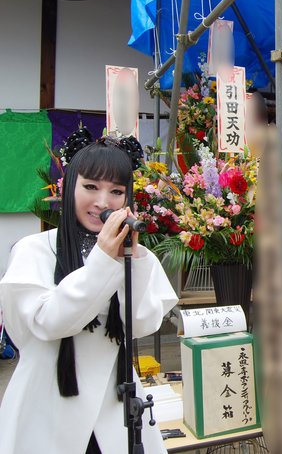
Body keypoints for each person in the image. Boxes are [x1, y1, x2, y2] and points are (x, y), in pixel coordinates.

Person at [0, 131, 178, 453]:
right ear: (69, 187)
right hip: (48, 402)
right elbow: (49, 322)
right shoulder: (35, 249)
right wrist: (103, 261)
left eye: (116, 191)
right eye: (91, 187)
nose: (102, 202)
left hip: (114, 403)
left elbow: (138, 324)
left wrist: (130, 261)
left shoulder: (138, 255)